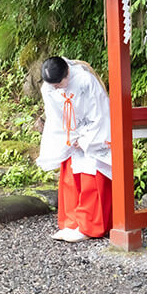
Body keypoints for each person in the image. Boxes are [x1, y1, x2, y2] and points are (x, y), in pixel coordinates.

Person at [36, 56, 113, 242]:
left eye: (59, 83)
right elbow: (54, 116)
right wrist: (67, 137)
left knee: (90, 180)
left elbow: (101, 111)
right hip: (70, 134)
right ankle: (71, 222)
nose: (56, 88)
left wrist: (86, 139)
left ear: (67, 73)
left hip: (91, 134)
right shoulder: (48, 87)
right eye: (52, 85)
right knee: (70, 179)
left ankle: (88, 226)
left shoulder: (85, 80)